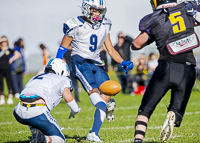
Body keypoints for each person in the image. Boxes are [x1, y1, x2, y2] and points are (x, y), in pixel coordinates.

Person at [56, 0, 134, 142]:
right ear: (87, 9)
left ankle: (93, 133)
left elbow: (110, 49)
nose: (97, 13)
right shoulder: (74, 24)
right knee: (94, 91)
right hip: (80, 62)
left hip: (97, 63)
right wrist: (57, 65)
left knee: (107, 95)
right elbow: (62, 48)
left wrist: (122, 62)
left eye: (100, 11)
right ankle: (106, 107)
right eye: (94, 10)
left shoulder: (105, 24)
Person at [131, 0, 200, 142]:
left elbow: (136, 44)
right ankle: (173, 114)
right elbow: (195, 22)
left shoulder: (153, 19)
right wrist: (194, 13)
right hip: (188, 70)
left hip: (166, 68)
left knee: (145, 110)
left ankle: (138, 139)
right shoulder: (186, 9)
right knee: (176, 111)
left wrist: (151, 36)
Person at [13, 58, 81, 143]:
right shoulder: (63, 79)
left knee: (34, 119)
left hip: (18, 111)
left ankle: (36, 134)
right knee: (60, 140)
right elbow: (71, 101)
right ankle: (42, 139)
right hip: (37, 112)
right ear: (62, 70)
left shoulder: (35, 77)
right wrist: (75, 111)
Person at [0, 36, 18, 105]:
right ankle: (2, 98)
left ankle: (10, 98)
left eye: (5, 41)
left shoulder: (9, 49)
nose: (4, 43)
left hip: (7, 69)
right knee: (1, 84)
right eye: (2, 41)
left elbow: (18, 54)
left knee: (9, 83)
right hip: (0, 70)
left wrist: (12, 59)